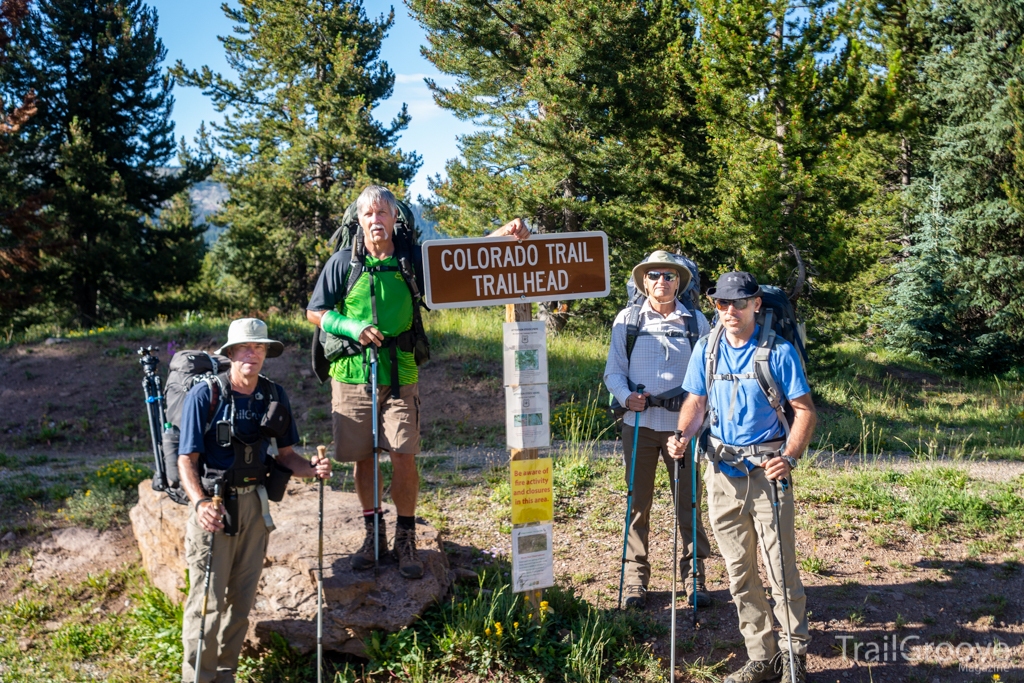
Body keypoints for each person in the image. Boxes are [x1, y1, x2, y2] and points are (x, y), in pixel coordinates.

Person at [306, 185, 528, 580]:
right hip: (352, 373)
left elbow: (459, 260)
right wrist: (351, 326)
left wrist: (501, 234)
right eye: (368, 214)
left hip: (400, 370)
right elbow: (315, 312)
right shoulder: (342, 263)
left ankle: (405, 537)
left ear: (395, 218)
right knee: (364, 456)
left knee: (403, 452)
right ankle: (373, 534)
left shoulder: (411, 260)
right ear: (359, 220)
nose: (376, 220)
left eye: (383, 213)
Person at [668, 272, 816, 683]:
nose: (729, 311)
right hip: (721, 474)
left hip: (768, 474)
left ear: (756, 305)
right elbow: (695, 401)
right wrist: (682, 435)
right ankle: (762, 656)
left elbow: (804, 411)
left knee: (780, 569)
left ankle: (793, 657)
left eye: (738, 302)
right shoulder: (707, 348)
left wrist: (789, 456)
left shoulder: (779, 352)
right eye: (721, 303)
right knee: (739, 571)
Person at [178, 317, 332, 683]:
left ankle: (225, 676)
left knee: (241, 605)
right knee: (207, 605)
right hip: (215, 506)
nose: (253, 353)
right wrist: (200, 505)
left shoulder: (273, 395)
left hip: (255, 506)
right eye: (246, 347)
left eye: (259, 347)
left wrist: (312, 468)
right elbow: (187, 460)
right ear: (231, 353)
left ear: (266, 352)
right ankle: (198, 677)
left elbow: (286, 456)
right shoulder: (207, 394)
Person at [604, 250, 713, 610]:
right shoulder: (628, 319)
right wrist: (625, 397)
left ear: (680, 282)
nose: (661, 282)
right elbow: (613, 371)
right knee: (638, 503)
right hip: (639, 427)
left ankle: (694, 577)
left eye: (669, 275)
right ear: (644, 281)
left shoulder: (697, 322)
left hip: (683, 431)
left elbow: (709, 375)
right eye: (654, 275)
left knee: (689, 503)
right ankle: (635, 581)